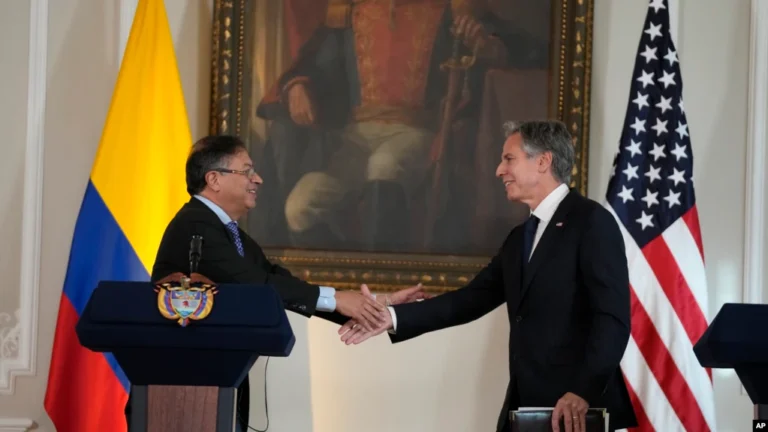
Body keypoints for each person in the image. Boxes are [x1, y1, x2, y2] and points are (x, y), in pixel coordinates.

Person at [339, 120, 638, 432]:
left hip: (576, 412)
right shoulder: (519, 237)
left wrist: (583, 391)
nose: (499, 170)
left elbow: (612, 318)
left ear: (543, 161)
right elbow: (469, 301)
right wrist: (391, 317)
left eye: (509, 159)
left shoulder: (591, 222)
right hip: (526, 410)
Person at [142, 135, 427, 432]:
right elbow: (255, 284)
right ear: (214, 179)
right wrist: (338, 299)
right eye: (247, 171)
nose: (259, 179)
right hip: (182, 396)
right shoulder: (195, 226)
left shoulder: (233, 236)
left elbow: (281, 283)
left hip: (216, 393)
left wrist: (377, 304)